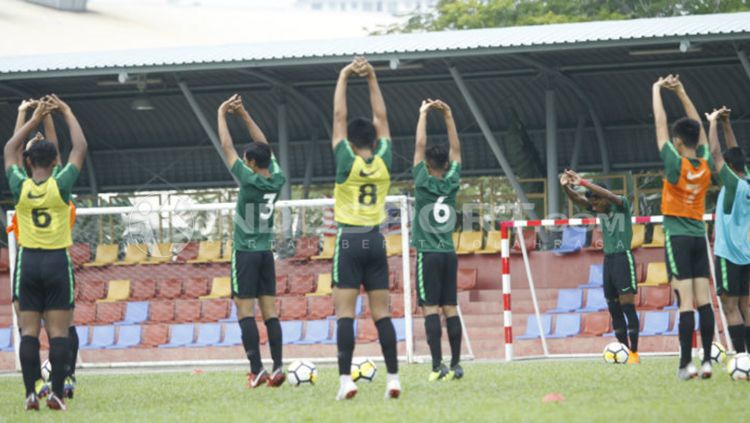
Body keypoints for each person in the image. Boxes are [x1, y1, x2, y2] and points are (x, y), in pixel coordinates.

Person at [5, 94, 87, 410]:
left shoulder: (20, 187)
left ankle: (30, 393)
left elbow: (10, 149)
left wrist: (33, 118)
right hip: (56, 261)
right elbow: (79, 148)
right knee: (59, 333)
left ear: (27, 162)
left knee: (28, 332)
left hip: (28, 261)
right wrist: (64, 110)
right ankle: (56, 389)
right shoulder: (60, 186)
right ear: (55, 162)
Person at [331, 56, 400, 400]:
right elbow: (382, 118)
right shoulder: (384, 158)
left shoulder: (345, 159)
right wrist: (372, 77)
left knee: (345, 314)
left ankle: (346, 381)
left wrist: (345, 75)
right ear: (373, 138)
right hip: (376, 239)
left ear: (349, 139)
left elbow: (339, 117)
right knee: (382, 314)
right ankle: (394, 379)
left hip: (349, 240)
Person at [217, 94, 287, 388]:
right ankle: (279, 365)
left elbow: (226, 147)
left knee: (245, 311)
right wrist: (244, 114)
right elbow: (265, 147)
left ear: (249, 162)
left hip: (245, 253)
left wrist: (223, 113)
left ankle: (257, 370)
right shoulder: (277, 178)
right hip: (265, 255)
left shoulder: (247, 179)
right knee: (270, 311)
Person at [652, 74, 715, 379]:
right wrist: (682, 91)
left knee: (685, 303)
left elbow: (660, 125)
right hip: (699, 238)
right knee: (705, 301)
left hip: (677, 237)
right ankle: (707, 362)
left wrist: (656, 90)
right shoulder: (703, 165)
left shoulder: (674, 164)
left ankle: (684, 365)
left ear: (678, 142)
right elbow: (699, 129)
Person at [561, 170, 640, 364]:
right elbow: (579, 201)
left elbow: (609, 196)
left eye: (597, 200)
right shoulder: (600, 210)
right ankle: (624, 351)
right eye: (593, 202)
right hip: (609, 261)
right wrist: (565, 186)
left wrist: (583, 182)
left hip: (623, 258)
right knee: (614, 308)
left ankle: (634, 354)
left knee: (628, 307)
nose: (594, 205)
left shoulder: (621, 205)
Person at [412, 99, 465, 380]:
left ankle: (437, 366)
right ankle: (456, 363)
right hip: (448, 253)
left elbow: (419, 147)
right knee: (451, 307)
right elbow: (456, 149)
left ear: (427, 164)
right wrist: (448, 115)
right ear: (446, 164)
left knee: (430, 308)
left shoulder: (421, 180)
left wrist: (423, 114)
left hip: (428, 253)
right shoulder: (452, 180)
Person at [705, 106, 750, 354]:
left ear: (729, 168)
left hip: (729, 253)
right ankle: (749, 356)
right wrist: (726, 123)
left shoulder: (733, 184)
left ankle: (742, 356)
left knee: (730, 306)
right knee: (745, 306)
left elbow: (715, 153)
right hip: (746, 253)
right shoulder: (746, 179)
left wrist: (712, 122)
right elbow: (734, 153)